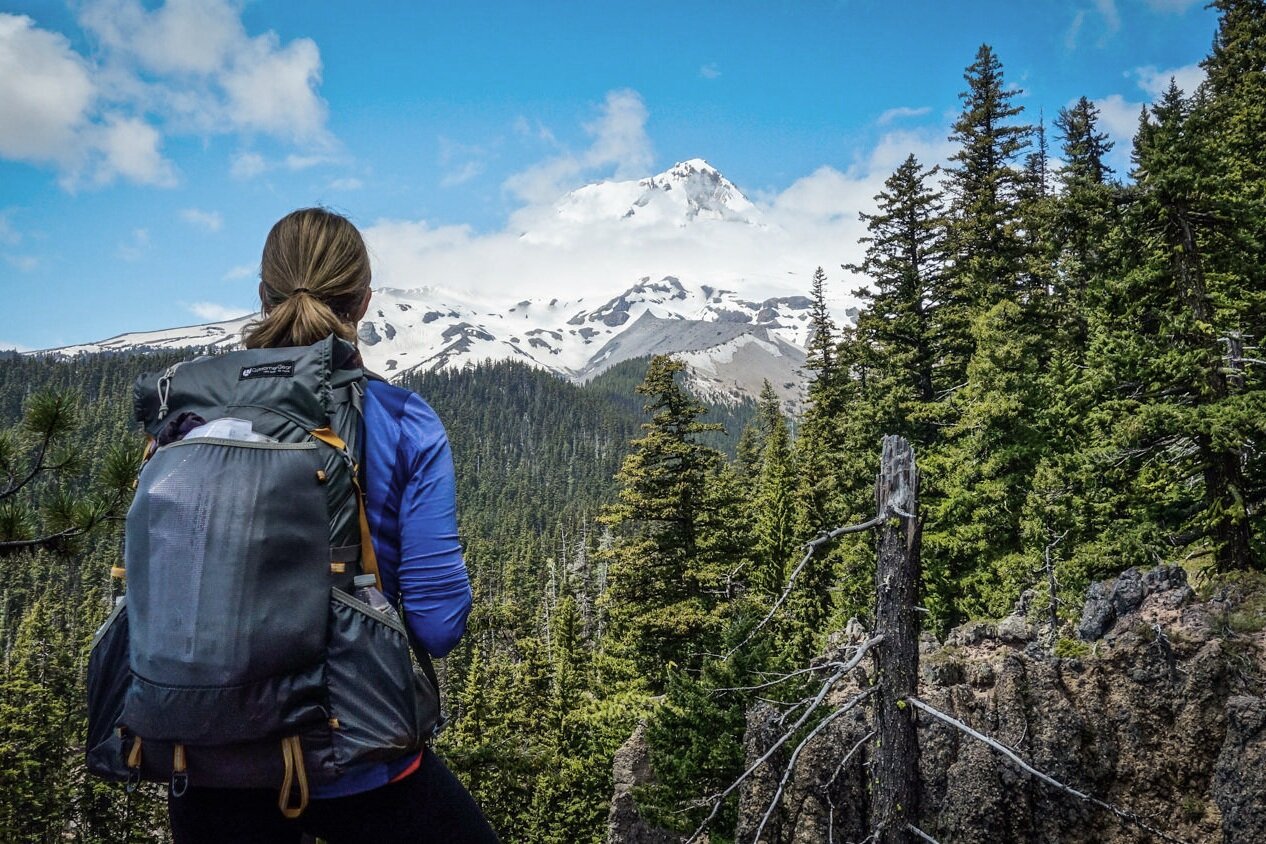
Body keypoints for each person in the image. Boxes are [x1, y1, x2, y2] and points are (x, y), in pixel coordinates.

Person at [166, 207, 499, 844]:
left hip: (208, 758)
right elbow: (437, 622)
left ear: (263, 295)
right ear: (364, 302)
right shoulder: (404, 420)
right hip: (361, 758)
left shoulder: (184, 416)